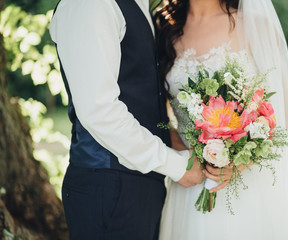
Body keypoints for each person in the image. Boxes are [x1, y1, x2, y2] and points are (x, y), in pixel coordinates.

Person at [155, 0, 288, 239]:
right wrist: (184, 153)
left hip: (253, 182)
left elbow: (283, 112)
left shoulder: (256, 25)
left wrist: (239, 161)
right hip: (191, 179)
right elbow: (156, 110)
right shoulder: (163, 27)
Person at [49, 0, 202, 239]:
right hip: (108, 188)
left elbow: (139, 92)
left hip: (141, 187)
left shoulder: (138, 4)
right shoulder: (91, 5)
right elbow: (99, 111)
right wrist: (177, 166)